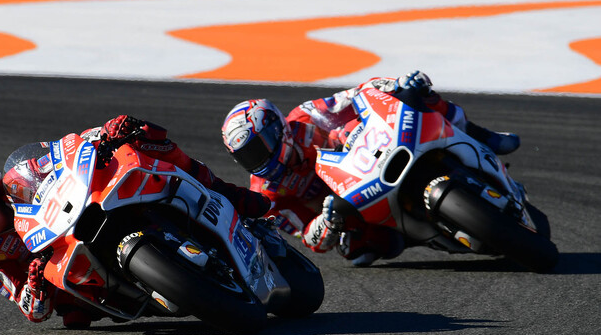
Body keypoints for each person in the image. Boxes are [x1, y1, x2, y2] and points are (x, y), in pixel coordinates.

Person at [0, 116, 270, 329]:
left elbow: (62, 151)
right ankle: (159, 286)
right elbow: (29, 309)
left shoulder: (16, 179)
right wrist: (35, 288)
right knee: (74, 318)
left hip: (81, 211)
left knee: (140, 137)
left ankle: (224, 191)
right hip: (68, 269)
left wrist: (105, 135)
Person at [221, 71, 521, 266]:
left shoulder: (305, 115)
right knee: (358, 252)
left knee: (418, 96)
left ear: (277, 129)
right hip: (352, 201)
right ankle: (422, 233)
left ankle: (483, 136)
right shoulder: (267, 194)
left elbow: (357, 95)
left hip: (375, 155)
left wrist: (395, 85)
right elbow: (308, 237)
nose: (257, 162)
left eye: (259, 149)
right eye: (247, 157)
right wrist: (327, 222)